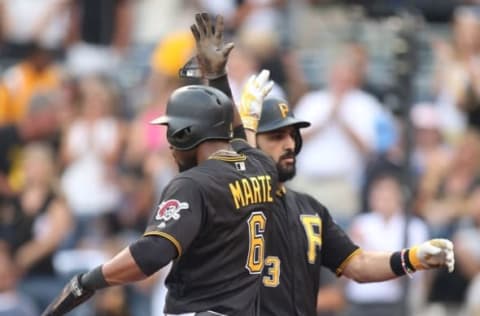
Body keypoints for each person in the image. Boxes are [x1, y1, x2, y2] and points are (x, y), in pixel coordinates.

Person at [185, 12, 456, 316]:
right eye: (276, 136)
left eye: (292, 134)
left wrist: (414, 257)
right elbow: (227, 161)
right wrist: (219, 82)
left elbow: (358, 264)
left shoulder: (310, 210)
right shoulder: (233, 199)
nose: (289, 143)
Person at [42, 16, 278, 316]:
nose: (169, 142)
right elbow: (236, 135)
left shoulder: (194, 184)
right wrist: (217, 76)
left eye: (173, 131)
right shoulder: (260, 166)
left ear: (189, 133)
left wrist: (86, 281)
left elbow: (152, 253)